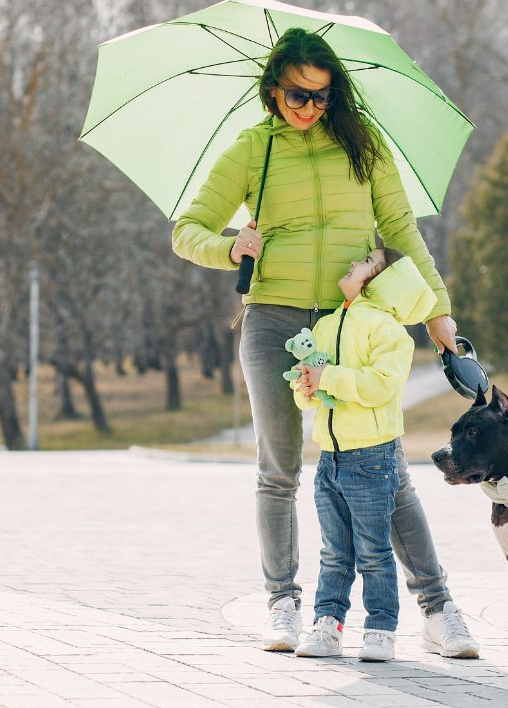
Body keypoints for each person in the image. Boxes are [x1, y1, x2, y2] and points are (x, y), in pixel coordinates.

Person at [171, 27, 478, 658]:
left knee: (383, 473)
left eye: (320, 95)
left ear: (334, 91)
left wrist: (438, 311)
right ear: (272, 88)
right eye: (295, 95)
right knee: (277, 472)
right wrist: (229, 245)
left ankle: (438, 609)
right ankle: (283, 602)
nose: (307, 107)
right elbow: (187, 229)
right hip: (274, 323)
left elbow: (400, 229)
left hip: (352, 323)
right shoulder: (251, 151)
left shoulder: (363, 148)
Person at [289, 246, 430, 663]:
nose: (353, 263)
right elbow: (316, 398)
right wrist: (307, 388)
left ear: (382, 279)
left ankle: (380, 629)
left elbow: (380, 385)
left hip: (371, 458)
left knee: (373, 551)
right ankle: (327, 625)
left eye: (366, 261)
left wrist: (328, 375)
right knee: (334, 551)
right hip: (328, 457)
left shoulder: (388, 330)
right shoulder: (329, 323)